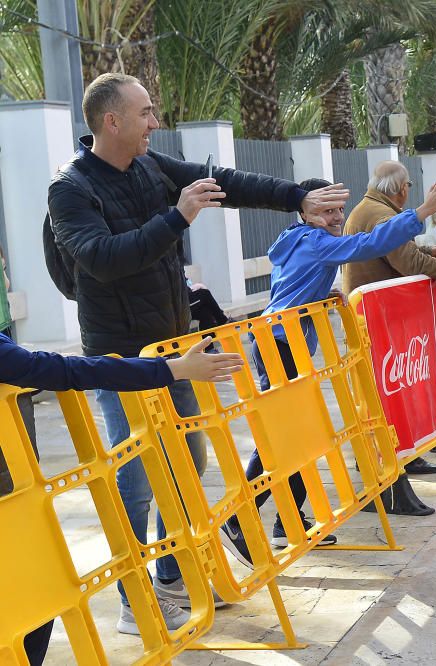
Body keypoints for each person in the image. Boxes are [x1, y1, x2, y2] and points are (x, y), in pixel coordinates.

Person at [46, 73, 349, 626]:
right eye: (144, 114)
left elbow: (226, 181)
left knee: (190, 459)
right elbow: (102, 259)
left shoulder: (150, 167)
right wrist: (177, 216)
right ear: (111, 122)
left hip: (176, 348)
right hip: (120, 358)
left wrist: (296, 196)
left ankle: (172, 576)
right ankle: (132, 600)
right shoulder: (70, 189)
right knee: (136, 476)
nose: (154, 123)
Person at [226, 176, 436, 554]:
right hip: (280, 346)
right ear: (305, 210)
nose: (334, 217)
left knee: (299, 437)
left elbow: (290, 281)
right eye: (325, 210)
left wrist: (320, 292)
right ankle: (238, 521)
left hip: (281, 343)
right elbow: (367, 244)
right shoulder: (316, 243)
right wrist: (421, 213)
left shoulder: (298, 238)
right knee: (280, 440)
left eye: (338, 210)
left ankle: (290, 520)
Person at [0, 333, 243, 655]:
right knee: (35, 601)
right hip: (10, 504)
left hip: (13, 498)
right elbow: (68, 370)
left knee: (37, 602)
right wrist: (172, 369)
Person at [342, 160, 436, 483]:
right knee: (390, 390)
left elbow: (396, 252)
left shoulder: (368, 208)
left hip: (373, 317)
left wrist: (431, 251)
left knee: (380, 390)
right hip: (381, 319)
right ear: (402, 190)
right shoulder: (381, 215)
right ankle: (393, 454)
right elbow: (408, 262)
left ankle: (388, 452)